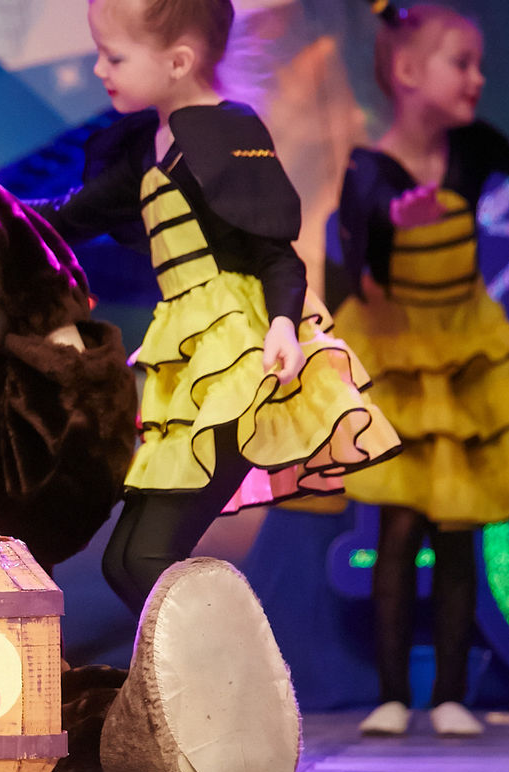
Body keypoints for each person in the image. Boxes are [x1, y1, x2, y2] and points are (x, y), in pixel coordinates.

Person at [33, 0, 400, 618]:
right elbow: (66, 215)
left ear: (178, 62)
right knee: (124, 561)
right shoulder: (148, 150)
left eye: (114, 57)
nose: (99, 69)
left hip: (238, 361)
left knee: (146, 558)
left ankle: (229, 666)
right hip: (190, 364)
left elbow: (276, 253)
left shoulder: (226, 134)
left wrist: (283, 324)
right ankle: (204, 667)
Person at [336, 2, 509, 737]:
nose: (477, 79)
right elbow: (361, 225)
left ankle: (448, 693)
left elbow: (504, 176)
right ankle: (390, 692)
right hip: (403, 359)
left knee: (458, 528)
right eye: (461, 64)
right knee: (400, 526)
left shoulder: (471, 152)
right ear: (409, 72)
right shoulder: (370, 169)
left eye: (479, 66)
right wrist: (391, 219)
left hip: (462, 355)